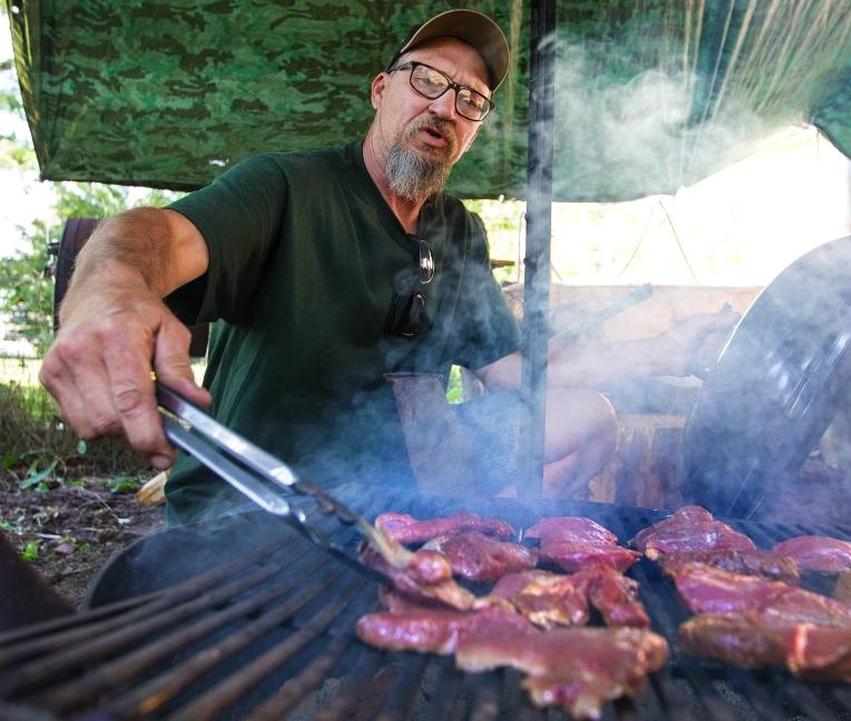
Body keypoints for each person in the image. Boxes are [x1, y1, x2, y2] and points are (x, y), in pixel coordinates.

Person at [38, 9, 736, 525]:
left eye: (470, 99)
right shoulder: (287, 187)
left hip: (404, 496)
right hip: (260, 504)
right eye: (427, 79)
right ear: (381, 90)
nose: (444, 106)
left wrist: (633, 367)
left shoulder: (457, 230)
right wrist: (111, 286)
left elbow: (515, 379)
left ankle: (475, 535)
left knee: (590, 412)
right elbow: (158, 236)